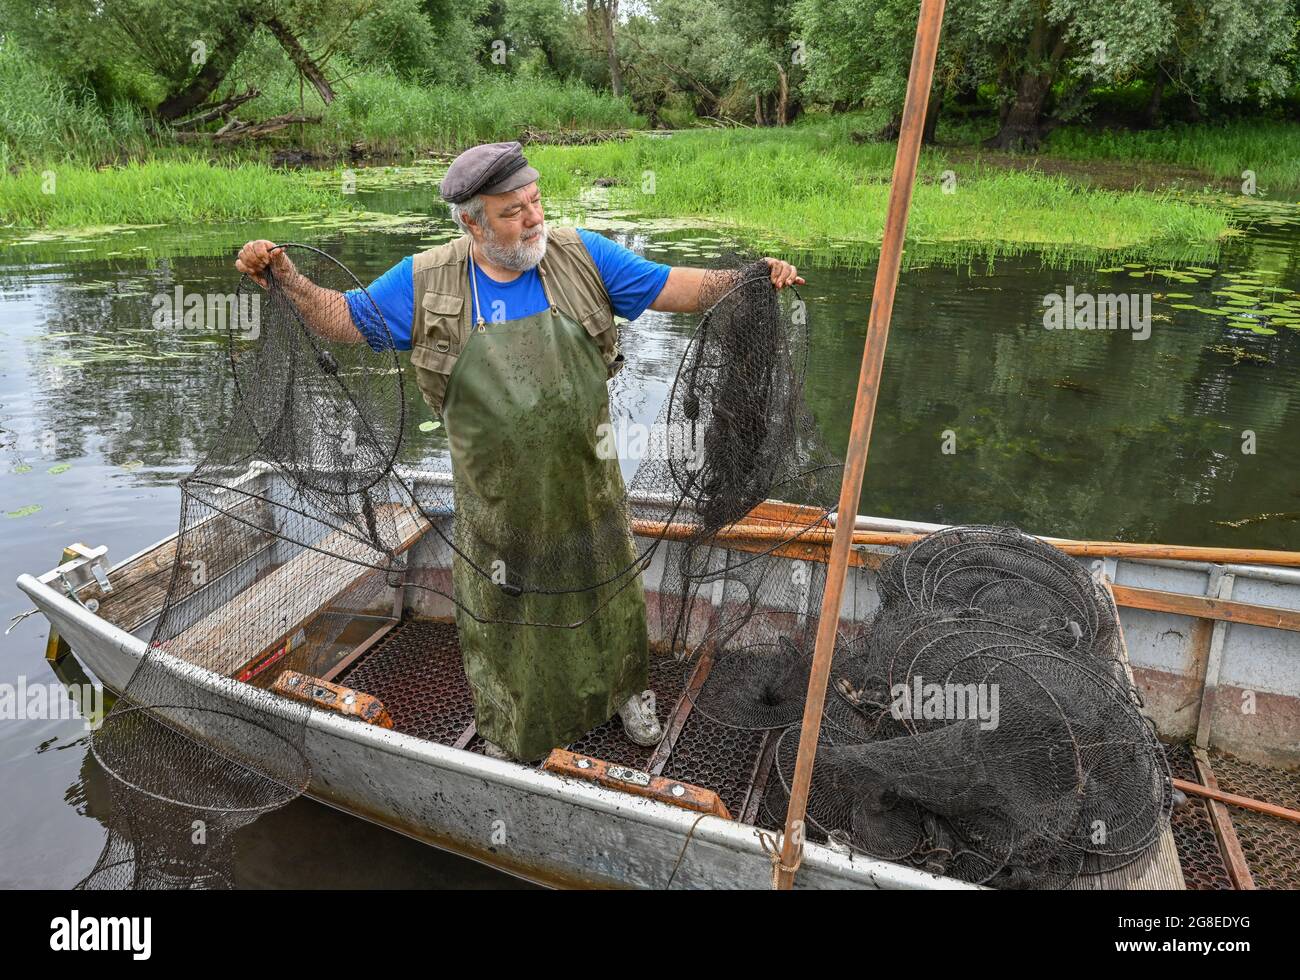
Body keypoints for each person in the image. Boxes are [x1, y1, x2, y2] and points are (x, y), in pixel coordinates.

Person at [236, 140, 803, 762]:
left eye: (535, 202)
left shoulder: (583, 257)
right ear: (471, 222)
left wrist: (751, 278)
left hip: (588, 483)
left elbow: (681, 287)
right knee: (508, 614)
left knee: (607, 590)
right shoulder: (426, 282)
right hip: (495, 502)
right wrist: (285, 276)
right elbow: (342, 319)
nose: (533, 219)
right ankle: (514, 726)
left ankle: (626, 692)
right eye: (512, 212)